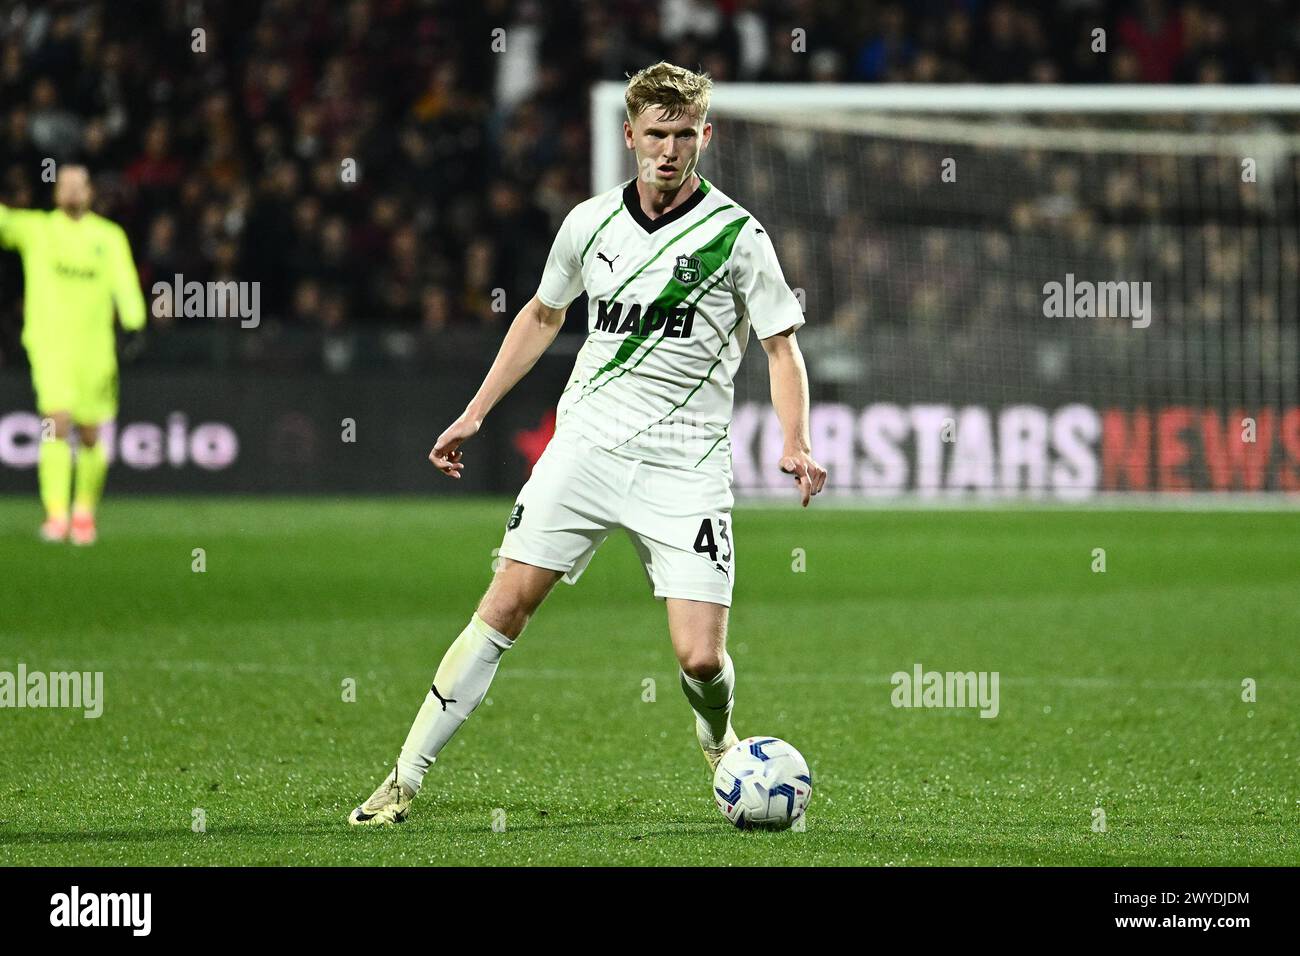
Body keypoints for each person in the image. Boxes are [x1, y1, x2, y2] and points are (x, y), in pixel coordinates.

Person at [350, 62, 826, 825]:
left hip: (686, 462)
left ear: (705, 136)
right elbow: (542, 315)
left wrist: (796, 439)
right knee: (504, 604)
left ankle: (715, 738)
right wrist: (476, 410)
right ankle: (403, 778)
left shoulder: (739, 235)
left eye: (683, 135)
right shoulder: (589, 223)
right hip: (587, 449)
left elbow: (780, 347)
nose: (668, 151)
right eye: (655, 134)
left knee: (700, 657)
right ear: (628, 134)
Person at [0, 164, 146, 544]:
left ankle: (83, 512)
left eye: (78, 185)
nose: (71, 191)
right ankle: (55, 515)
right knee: (55, 422)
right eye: (63, 184)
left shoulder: (108, 236)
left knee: (90, 434)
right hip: (50, 346)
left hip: (95, 349)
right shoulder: (37, 229)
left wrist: (134, 323)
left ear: (90, 192)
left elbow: (125, 282)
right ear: (55, 192)